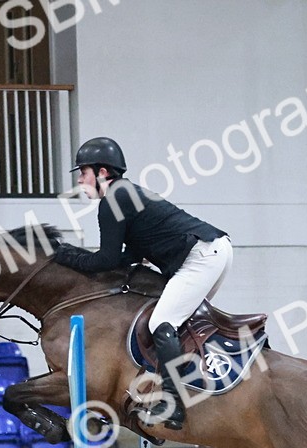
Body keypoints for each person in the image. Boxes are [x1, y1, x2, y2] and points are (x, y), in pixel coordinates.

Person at [52, 137, 231, 430]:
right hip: (213, 250)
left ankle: (173, 404)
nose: (80, 180)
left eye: (84, 173)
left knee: (161, 322)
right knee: (180, 324)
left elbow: (108, 260)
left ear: (103, 172)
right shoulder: (126, 193)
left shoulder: (114, 199)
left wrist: (68, 256)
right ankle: (196, 386)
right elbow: (130, 256)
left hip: (201, 257)